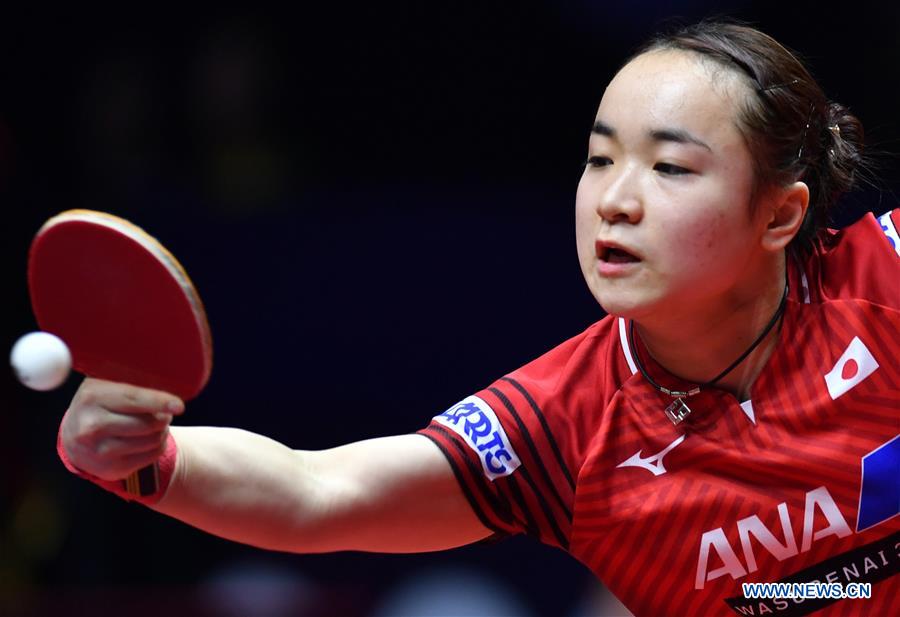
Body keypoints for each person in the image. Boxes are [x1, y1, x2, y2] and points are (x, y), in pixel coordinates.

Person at [58, 20, 899, 616]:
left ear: (780, 216)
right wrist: (148, 458)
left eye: (671, 166)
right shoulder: (565, 426)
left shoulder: (884, 277)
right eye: (600, 158)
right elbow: (318, 490)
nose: (616, 199)